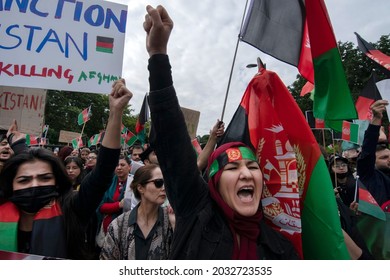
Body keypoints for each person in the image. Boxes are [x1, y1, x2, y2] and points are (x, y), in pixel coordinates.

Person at [143, 5, 298, 259]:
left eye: (252, 167)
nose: (246, 174)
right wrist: (158, 54)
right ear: (213, 182)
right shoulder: (196, 214)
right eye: (233, 168)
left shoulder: (282, 250)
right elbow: (172, 137)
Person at [0, 79, 132, 259]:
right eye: (24, 180)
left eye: (45, 178)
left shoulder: (71, 209)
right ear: (10, 184)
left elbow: (103, 171)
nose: (35, 184)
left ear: (56, 181)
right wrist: (18, 146)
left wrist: (115, 113)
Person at [100, 164, 174, 259]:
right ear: (140, 188)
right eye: (158, 183)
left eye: (166, 183)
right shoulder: (119, 225)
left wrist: (176, 227)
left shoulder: (171, 220)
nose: (164, 188)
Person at [357, 99, 390, 207]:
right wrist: (376, 119)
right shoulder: (369, 176)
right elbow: (368, 151)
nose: (389, 160)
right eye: (384, 158)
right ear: (373, 162)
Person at [96, 155, 132, 242]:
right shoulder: (107, 183)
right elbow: (101, 207)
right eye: (116, 165)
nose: (119, 168)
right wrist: (119, 205)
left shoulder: (135, 182)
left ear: (130, 167)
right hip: (108, 227)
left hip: (128, 227)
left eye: (122, 165)